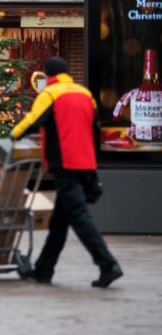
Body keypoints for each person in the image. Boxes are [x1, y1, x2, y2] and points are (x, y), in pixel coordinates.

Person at [12, 57, 123, 288]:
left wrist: (9, 138)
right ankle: (43, 270)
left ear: (47, 74)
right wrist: (94, 163)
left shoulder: (50, 94)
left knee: (80, 217)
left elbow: (32, 121)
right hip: (85, 163)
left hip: (65, 164)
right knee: (59, 223)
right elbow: (95, 132)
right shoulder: (85, 94)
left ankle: (107, 264)